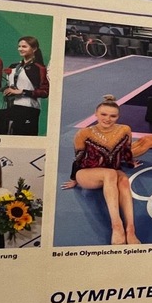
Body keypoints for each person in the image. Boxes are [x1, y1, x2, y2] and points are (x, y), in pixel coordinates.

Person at [62, 95, 140, 245]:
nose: (108, 119)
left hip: (112, 171)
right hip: (87, 173)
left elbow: (126, 151)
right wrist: (73, 179)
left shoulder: (125, 130)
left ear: (118, 116)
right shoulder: (84, 133)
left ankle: (130, 229)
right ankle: (116, 226)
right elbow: (78, 158)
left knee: (123, 181)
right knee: (110, 173)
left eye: (113, 116)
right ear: (96, 114)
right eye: (103, 114)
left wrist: (130, 163)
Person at [3, 36, 49, 136]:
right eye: (19, 46)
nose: (20, 49)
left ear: (34, 48)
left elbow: (45, 92)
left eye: (24, 46)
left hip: (28, 109)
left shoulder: (39, 68)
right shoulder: (13, 66)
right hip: (10, 107)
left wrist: (22, 92)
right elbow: (8, 85)